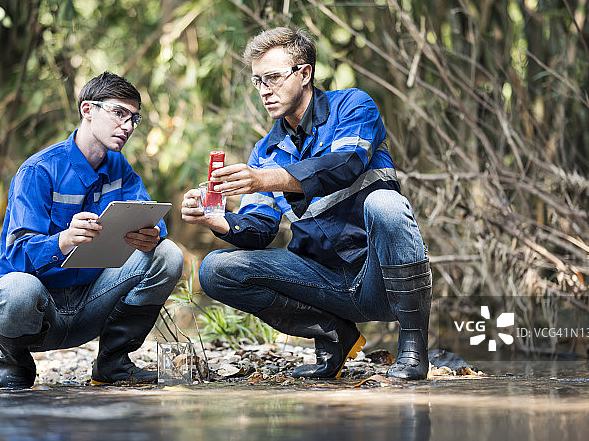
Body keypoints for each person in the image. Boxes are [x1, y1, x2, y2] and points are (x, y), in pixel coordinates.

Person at [181, 28, 431, 380]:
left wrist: (266, 179)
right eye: (258, 81)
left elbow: (346, 163)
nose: (264, 90)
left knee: (385, 204)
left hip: (380, 279)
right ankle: (333, 334)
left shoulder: (353, 106)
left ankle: (414, 348)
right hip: (321, 283)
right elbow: (259, 229)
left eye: (273, 77)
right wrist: (215, 220)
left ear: (304, 73)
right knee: (216, 269)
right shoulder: (264, 152)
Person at [0, 71, 184, 389]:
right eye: (119, 113)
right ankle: (15, 364)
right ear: (87, 110)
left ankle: (112, 363)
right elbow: (16, 255)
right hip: (41, 312)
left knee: (167, 254)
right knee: (16, 290)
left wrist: (151, 235)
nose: (128, 126)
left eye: (134, 118)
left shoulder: (120, 168)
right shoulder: (38, 170)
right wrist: (63, 240)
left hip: (93, 304)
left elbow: (151, 217)